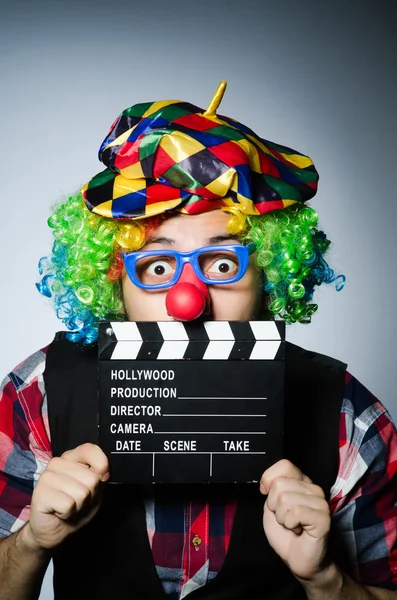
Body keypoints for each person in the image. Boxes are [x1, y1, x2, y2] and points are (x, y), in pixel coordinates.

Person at [0, 81, 396, 600]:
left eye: (224, 263)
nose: (188, 300)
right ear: (114, 279)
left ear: (271, 276)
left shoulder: (347, 415)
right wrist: (32, 542)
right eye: (158, 266)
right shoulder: (38, 396)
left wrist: (326, 580)